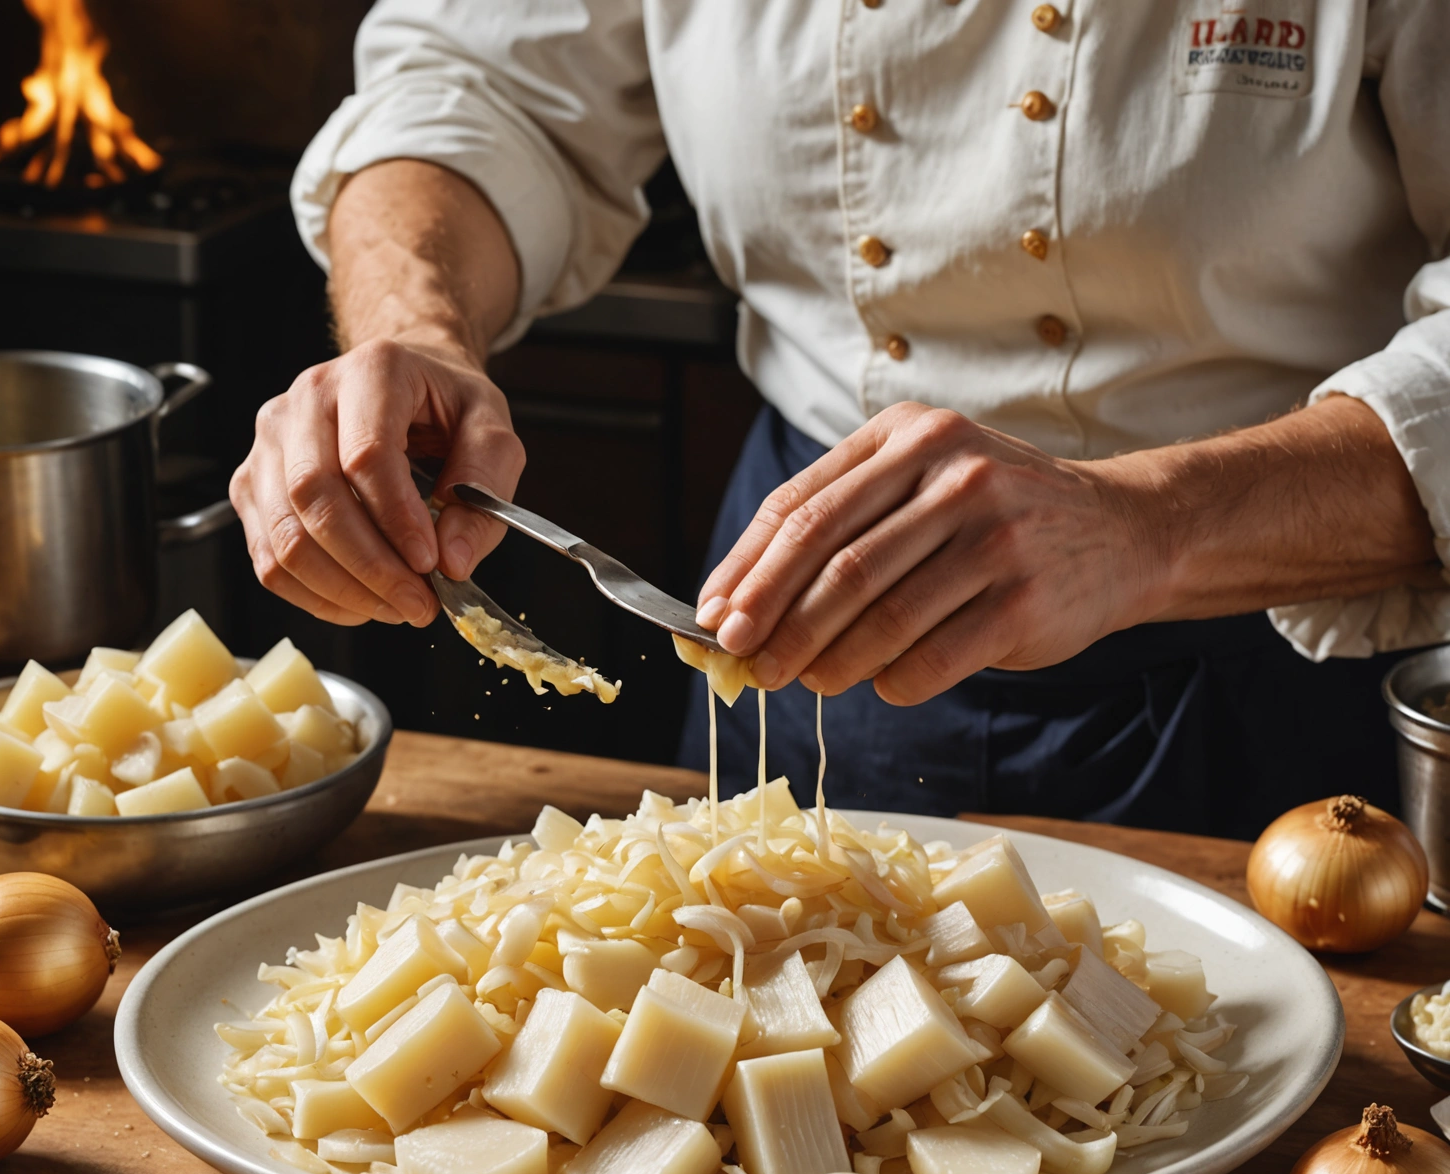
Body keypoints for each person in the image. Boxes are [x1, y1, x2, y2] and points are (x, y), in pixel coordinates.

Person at [230, 1, 1450, 838]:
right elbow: (482, 81)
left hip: (1285, 645)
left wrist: (1151, 523)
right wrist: (419, 328)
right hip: (802, 620)